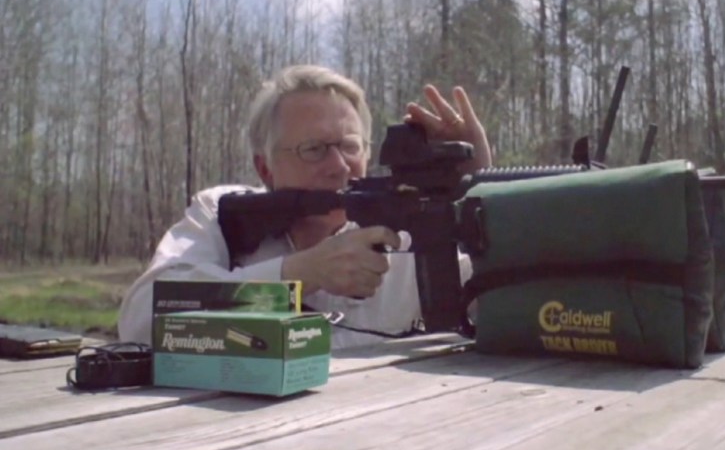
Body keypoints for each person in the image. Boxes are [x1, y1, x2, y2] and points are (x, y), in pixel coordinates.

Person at [117, 64, 493, 349]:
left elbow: (506, 305)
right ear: (265, 168)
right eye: (313, 150)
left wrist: (486, 193)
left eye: (350, 146)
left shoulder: (413, 223)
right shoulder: (220, 214)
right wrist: (296, 277)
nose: (339, 166)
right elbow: (140, 321)